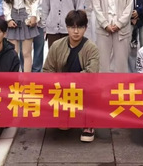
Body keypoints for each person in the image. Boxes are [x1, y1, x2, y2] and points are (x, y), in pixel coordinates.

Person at [43, 10, 100, 143]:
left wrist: (69, 81)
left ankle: (88, 124)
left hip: (82, 90)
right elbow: (47, 70)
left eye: (80, 27)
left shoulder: (92, 48)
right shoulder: (57, 46)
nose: (76, 31)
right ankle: (64, 114)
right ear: (67, 28)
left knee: (94, 92)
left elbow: (92, 74)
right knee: (62, 127)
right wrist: (58, 83)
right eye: (72, 27)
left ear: (85, 28)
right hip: (61, 90)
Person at [90, 0, 133, 73]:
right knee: (103, 62)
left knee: (121, 62)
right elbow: (96, 7)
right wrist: (105, 24)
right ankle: (104, 84)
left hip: (121, 29)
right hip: (104, 29)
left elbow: (129, 7)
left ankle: (121, 84)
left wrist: (119, 23)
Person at [2, 0, 40, 72]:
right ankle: (14, 78)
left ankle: (26, 79)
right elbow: (5, 0)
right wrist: (8, 18)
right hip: (13, 15)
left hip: (27, 15)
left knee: (26, 53)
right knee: (13, 52)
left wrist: (34, 15)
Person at [28, 0, 49, 72]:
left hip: (40, 19)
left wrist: (42, 18)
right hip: (26, 18)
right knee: (25, 48)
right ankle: (25, 70)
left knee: (39, 47)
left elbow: (45, 0)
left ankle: (36, 71)